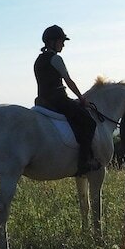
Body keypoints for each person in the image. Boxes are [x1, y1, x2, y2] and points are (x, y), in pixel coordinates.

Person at [34, 25, 101, 176]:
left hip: (42, 99)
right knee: (89, 123)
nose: (63, 44)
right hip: (58, 99)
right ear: (52, 42)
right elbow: (68, 81)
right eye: (61, 41)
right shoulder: (55, 58)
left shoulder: (39, 59)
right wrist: (82, 99)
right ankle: (85, 161)